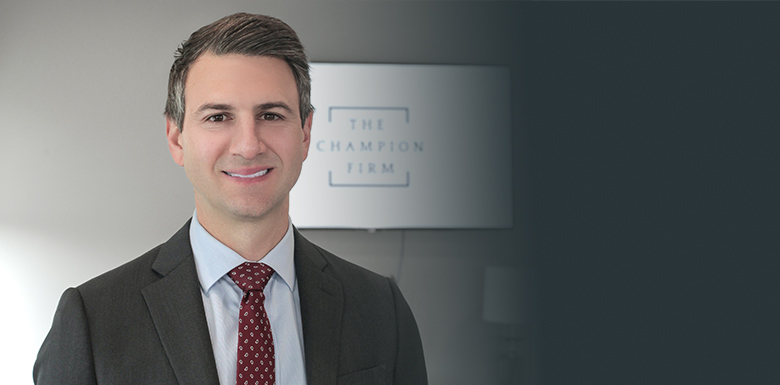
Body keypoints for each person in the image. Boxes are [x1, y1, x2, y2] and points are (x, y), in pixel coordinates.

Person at [34, 12, 427, 385]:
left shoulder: (380, 308)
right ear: (177, 138)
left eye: (271, 115)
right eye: (218, 117)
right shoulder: (93, 318)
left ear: (305, 133)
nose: (248, 145)